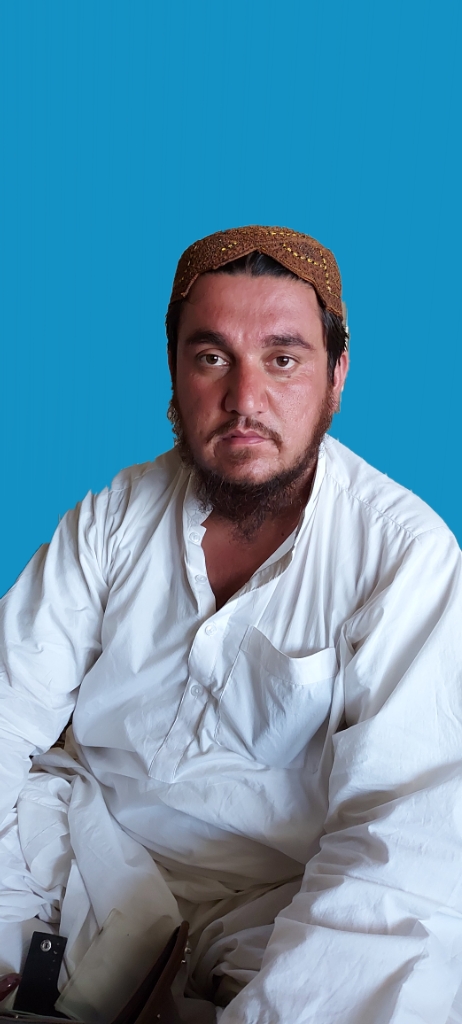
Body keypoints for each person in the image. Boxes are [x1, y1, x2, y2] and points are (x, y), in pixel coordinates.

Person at [0, 224, 461, 1024]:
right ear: (174, 370)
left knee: (409, 958)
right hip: (91, 856)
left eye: (283, 359)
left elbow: (404, 827)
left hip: (274, 904)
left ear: (337, 374)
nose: (245, 400)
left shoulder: (404, 556)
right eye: (213, 357)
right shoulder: (115, 516)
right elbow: (8, 707)